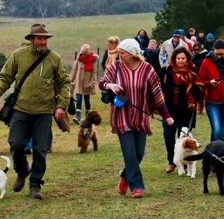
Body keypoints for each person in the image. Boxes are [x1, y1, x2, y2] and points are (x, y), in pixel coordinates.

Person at [0, 23, 71, 200]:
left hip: (44, 111)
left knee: (40, 149)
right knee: (16, 144)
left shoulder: (55, 58)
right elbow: (4, 79)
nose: (43, 41)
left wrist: (61, 105)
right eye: (39, 38)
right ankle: (22, 171)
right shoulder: (19, 55)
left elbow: (64, 83)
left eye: (45, 38)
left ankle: (35, 185)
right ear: (31, 39)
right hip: (20, 109)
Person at [99, 38, 174, 198]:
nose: (119, 56)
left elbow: (157, 94)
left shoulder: (147, 69)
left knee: (139, 153)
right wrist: (110, 85)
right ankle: (136, 186)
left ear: (133, 53)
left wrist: (167, 116)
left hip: (141, 116)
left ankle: (125, 175)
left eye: (122, 53)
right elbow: (102, 82)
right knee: (129, 153)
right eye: (118, 53)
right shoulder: (116, 67)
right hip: (121, 116)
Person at [160, 46, 203, 172]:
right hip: (169, 108)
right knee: (168, 135)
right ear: (174, 58)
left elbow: (198, 88)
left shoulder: (193, 70)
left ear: (187, 59)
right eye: (178, 58)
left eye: (183, 58)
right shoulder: (166, 70)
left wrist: (193, 101)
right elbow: (160, 87)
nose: (180, 61)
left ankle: (183, 162)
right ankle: (171, 161)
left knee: (183, 136)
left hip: (186, 109)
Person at [70, 44, 101, 124]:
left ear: (87, 54)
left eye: (84, 54)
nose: (83, 55)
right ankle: (78, 118)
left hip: (87, 85)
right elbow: (74, 69)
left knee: (87, 101)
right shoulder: (79, 59)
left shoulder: (92, 60)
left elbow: (94, 73)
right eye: (82, 54)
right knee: (79, 100)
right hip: (79, 84)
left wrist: (92, 83)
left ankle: (88, 118)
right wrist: (70, 79)